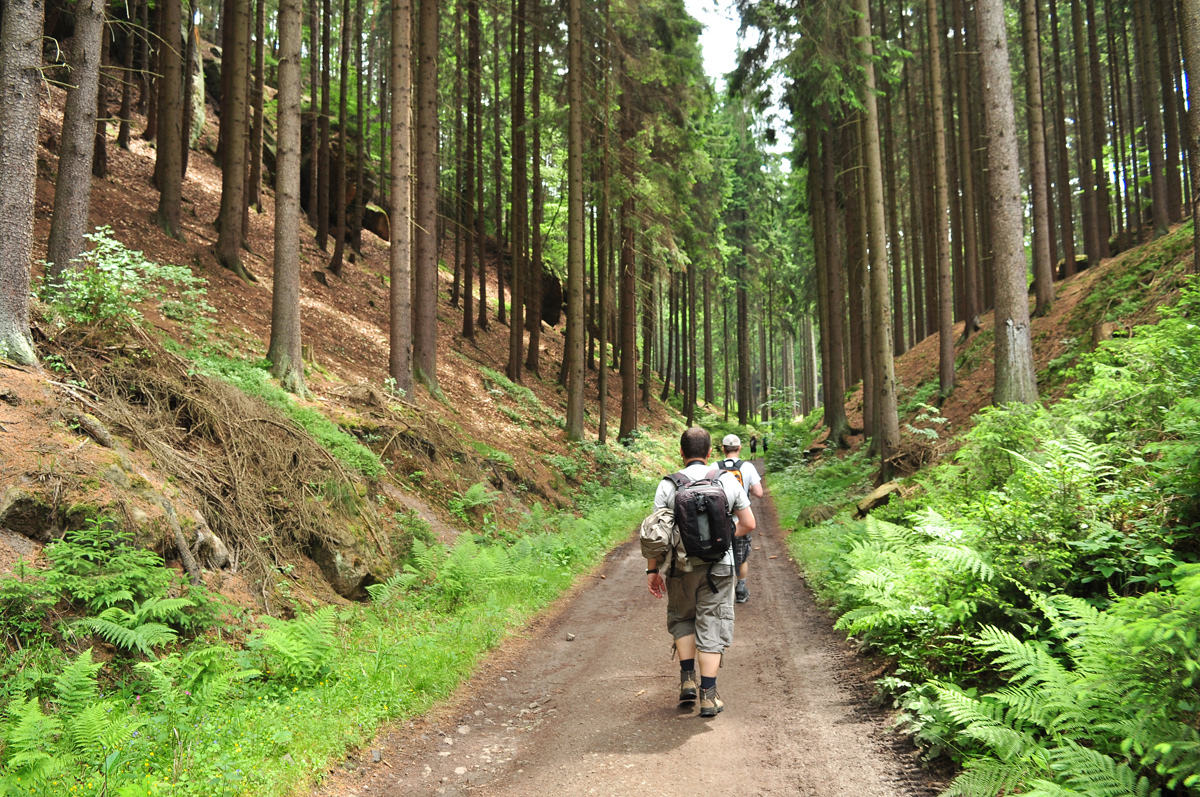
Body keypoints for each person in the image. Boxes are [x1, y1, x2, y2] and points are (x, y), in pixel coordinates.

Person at [646, 427, 755, 718]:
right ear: (710, 454)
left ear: (681, 453)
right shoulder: (726, 480)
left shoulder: (668, 485)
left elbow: (658, 535)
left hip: (680, 568)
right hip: (719, 567)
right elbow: (749, 523)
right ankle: (708, 697)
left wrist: (653, 570)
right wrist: (723, 540)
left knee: (683, 618)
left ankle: (687, 682)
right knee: (713, 624)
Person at [717, 434, 763, 605]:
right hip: (741, 521)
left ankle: (720, 592)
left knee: (718, 553)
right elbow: (759, 493)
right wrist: (747, 487)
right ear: (740, 448)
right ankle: (741, 590)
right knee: (741, 556)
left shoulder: (714, 467)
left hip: (719, 520)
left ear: (722, 448)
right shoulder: (748, 467)